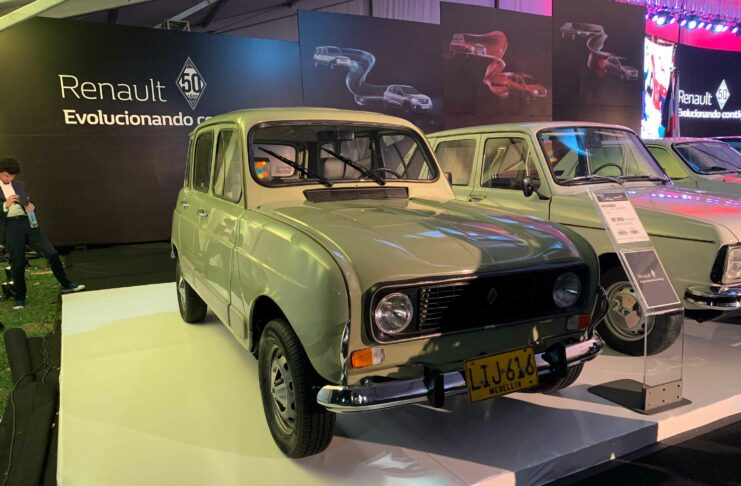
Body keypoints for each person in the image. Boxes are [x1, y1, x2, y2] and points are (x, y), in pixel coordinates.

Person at [0, 156, 84, 309]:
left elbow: (27, 201)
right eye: (6, 175)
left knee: (51, 253)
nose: (9, 178)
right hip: (10, 226)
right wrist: (5, 204)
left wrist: (32, 205)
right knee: (17, 262)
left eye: (12, 176)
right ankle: (20, 298)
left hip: (28, 223)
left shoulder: (19, 185)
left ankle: (66, 284)